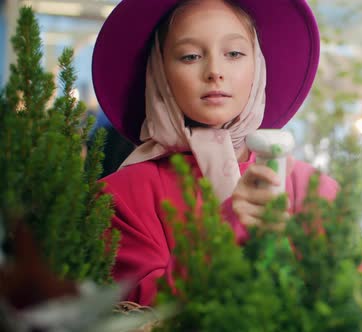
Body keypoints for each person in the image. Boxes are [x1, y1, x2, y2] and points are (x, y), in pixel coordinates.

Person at [93, 0, 339, 306]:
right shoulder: (118, 199)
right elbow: (135, 308)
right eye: (190, 56)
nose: (214, 72)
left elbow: (352, 305)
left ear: (258, 65)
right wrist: (228, 227)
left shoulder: (316, 191)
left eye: (234, 53)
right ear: (158, 71)